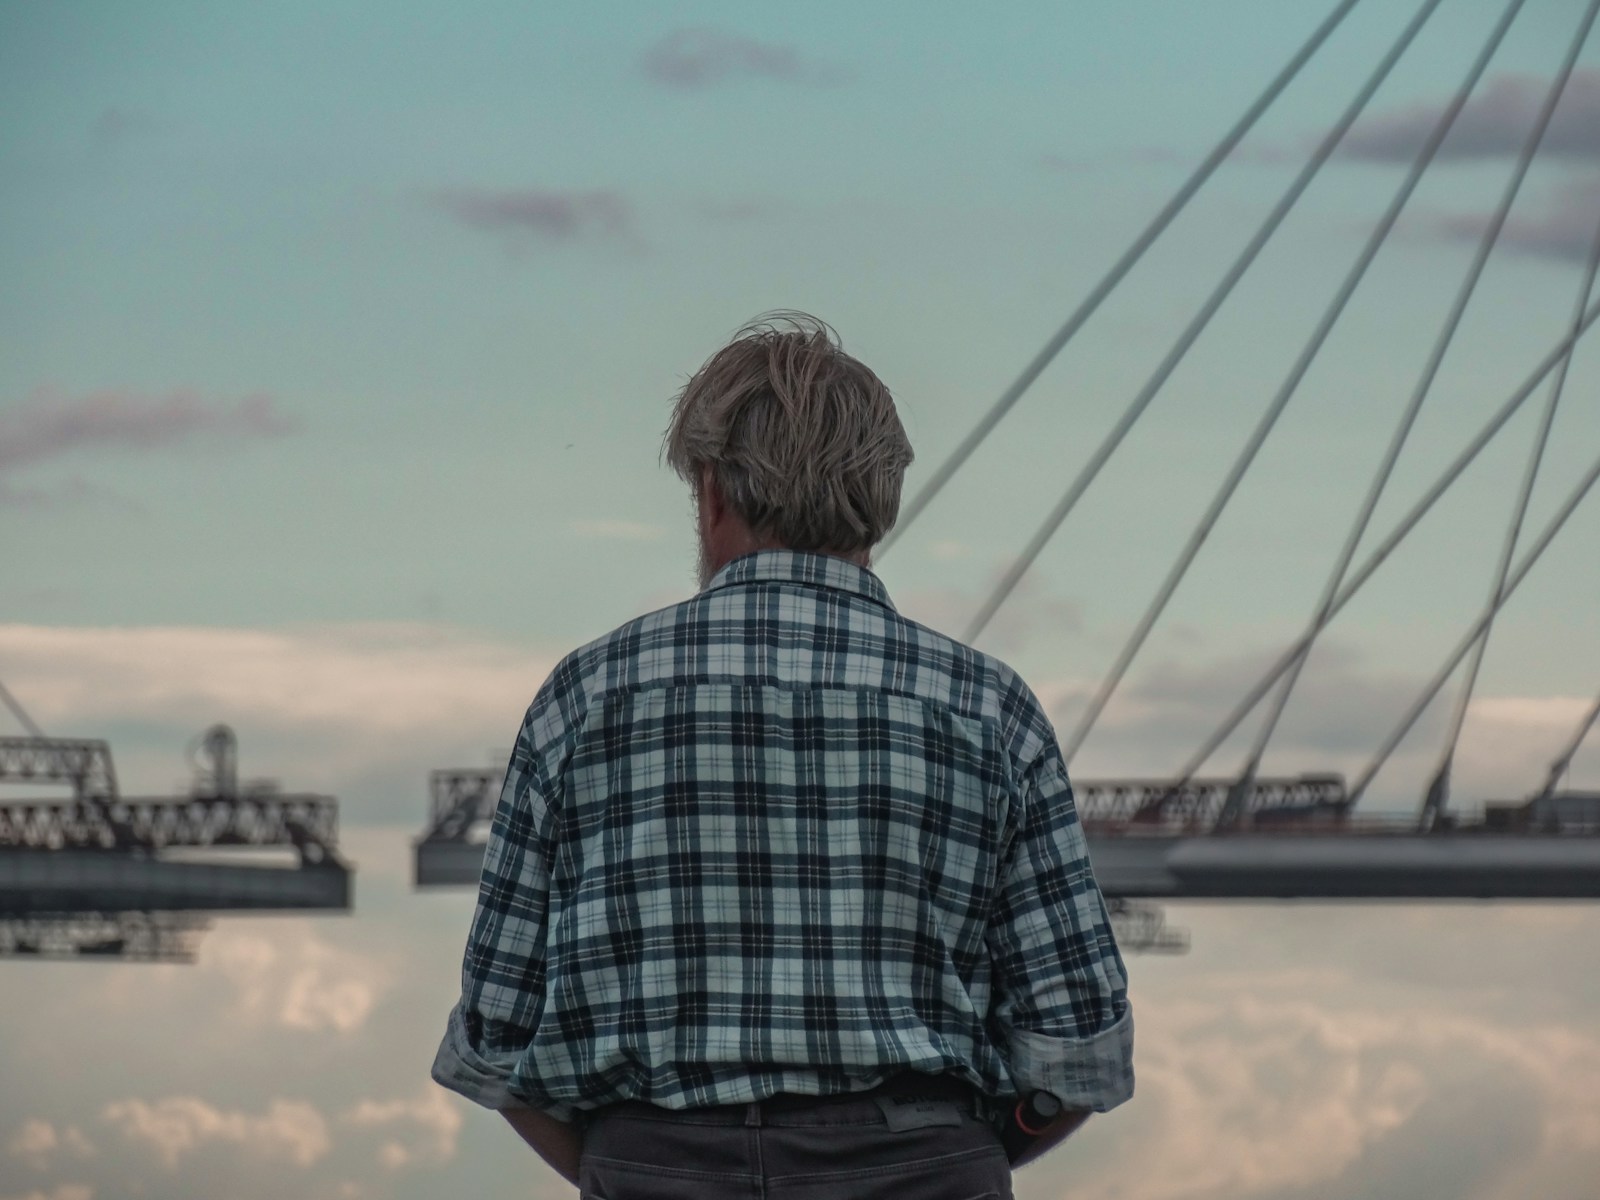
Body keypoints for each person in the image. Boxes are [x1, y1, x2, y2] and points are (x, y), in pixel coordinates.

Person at [432, 313, 1133, 1196]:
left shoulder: (586, 698)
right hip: (923, 1165)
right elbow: (1082, 1046)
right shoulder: (990, 710)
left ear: (713, 492)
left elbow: (496, 1037)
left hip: (657, 1162)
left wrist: (629, 1163)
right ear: (882, 498)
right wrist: (961, 1155)